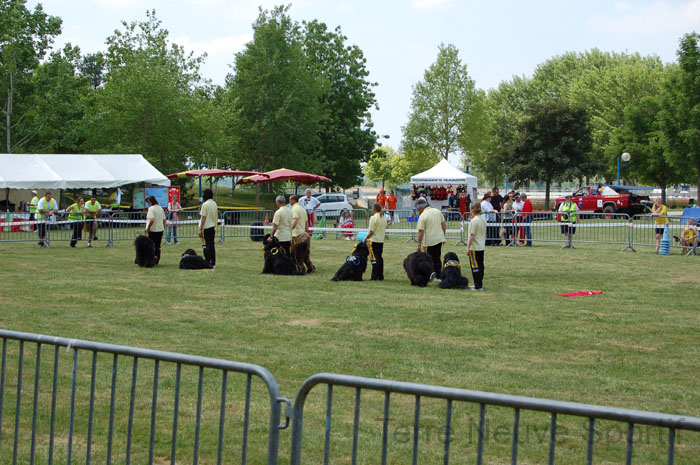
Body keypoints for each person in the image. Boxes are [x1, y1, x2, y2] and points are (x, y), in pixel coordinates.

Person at [415, 197, 446, 280]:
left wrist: (419, 244)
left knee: (428, 259)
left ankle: (430, 274)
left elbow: (421, 231)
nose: (418, 211)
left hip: (429, 241)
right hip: (439, 239)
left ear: (421, 208)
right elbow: (443, 224)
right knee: (437, 258)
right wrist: (443, 236)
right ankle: (438, 276)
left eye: (418, 210)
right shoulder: (437, 211)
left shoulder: (423, 216)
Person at [290, 194, 315, 273]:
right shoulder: (302, 209)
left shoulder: (294, 209)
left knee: (296, 254)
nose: (289, 202)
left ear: (293, 200)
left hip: (296, 235)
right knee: (305, 254)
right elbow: (306, 223)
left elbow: (295, 220)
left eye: (290, 200)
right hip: (303, 234)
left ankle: (300, 268)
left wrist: (289, 229)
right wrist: (306, 233)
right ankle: (310, 267)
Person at [364, 202, 387, 281]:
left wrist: (365, 238)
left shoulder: (373, 218)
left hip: (373, 240)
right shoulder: (383, 218)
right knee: (379, 258)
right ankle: (380, 275)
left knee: (374, 258)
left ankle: (374, 276)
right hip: (380, 241)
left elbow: (371, 231)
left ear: (374, 209)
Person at [466, 202, 487, 291]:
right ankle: (479, 283)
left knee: (475, 266)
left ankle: (477, 285)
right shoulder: (482, 219)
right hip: (481, 246)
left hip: (475, 247)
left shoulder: (474, 221)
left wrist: (468, 247)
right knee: (481, 266)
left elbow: (472, 235)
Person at [199, 188, 218, 268]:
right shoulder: (214, 204)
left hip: (206, 227)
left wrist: (200, 228)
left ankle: (207, 261)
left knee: (206, 245)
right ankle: (213, 262)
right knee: (212, 245)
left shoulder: (205, 204)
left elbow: (203, 217)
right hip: (212, 226)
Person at [145, 196, 166, 265]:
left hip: (153, 230)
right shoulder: (160, 208)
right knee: (158, 246)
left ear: (151, 201)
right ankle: (157, 259)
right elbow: (164, 220)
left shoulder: (151, 209)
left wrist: (148, 228)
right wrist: (163, 228)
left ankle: (152, 258)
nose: (148, 203)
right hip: (160, 230)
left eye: (148, 202)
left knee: (150, 245)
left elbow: (152, 219)